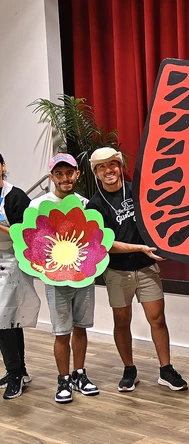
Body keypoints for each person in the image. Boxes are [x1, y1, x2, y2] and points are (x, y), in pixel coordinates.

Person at [85, 147, 187, 393]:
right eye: (101, 167)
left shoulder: (138, 191)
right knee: (122, 322)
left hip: (146, 267)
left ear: (119, 166)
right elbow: (104, 244)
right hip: (117, 271)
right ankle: (129, 369)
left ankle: (166, 369)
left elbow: (167, 203)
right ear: (96, 173)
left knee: (157, 319)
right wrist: (139, 247)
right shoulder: (94, 205)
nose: (108, 170)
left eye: (112, 164)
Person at [29, 154, 100, 403]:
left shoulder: (86, 204)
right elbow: (32, 243)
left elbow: (95, 240)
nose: (64, 178)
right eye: (59, 174)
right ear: (51, 177)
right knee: (62, 332)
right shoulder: (37, 206)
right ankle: (63, 379)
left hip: (83, 277)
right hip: (55, 279)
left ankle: (79, 374)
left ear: (77, 174)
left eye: (69, 173)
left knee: (81, 327)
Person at [0, 152, 41, 399]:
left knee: (4, 318)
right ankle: (19, 370)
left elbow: (25, 234)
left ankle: (15, 373)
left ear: (3, 166)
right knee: (9, 318)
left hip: (13, 262)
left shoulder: (16, 197)